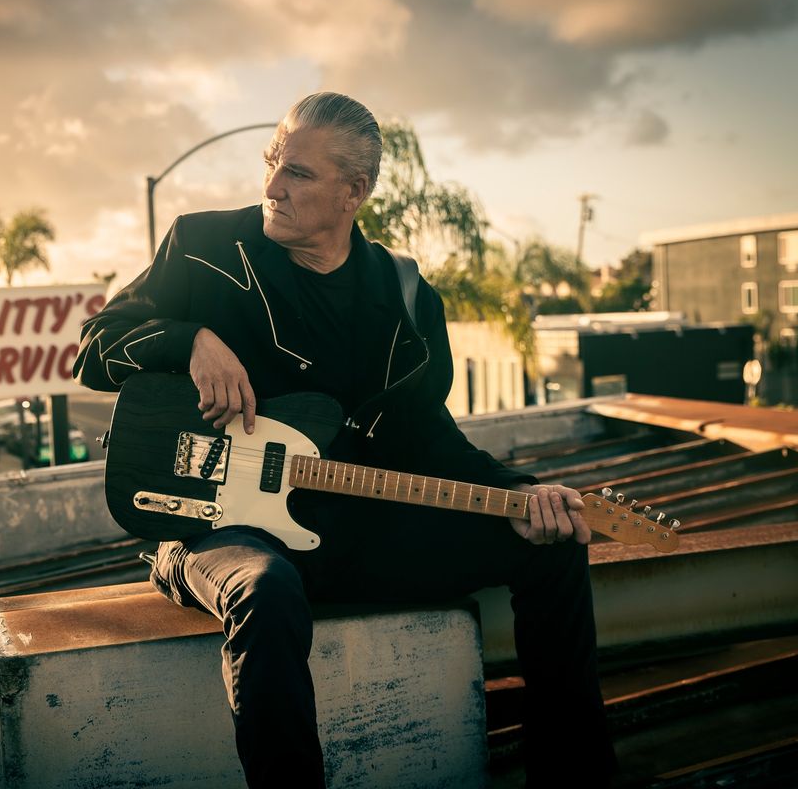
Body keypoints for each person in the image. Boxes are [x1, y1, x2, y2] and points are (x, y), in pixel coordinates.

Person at [74, 91, 616, 788]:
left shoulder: (407, 297)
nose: (272, 185)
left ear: (353, 191)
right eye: (272, 161)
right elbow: (93, 350)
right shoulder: (203, 246)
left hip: (352, 533)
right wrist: (190, 343)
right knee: (265, 593)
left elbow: (429, 440)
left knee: (554, 546)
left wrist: (519, 492)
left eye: (297, 172)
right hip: (218, 529)